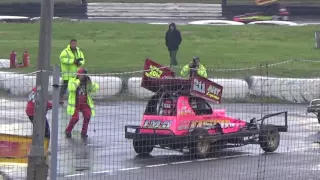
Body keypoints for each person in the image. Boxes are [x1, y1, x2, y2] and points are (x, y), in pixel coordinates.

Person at [65, 68, 99, 139]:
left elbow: (92, 89)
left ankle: (84, 132)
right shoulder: (72, 80)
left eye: (85, 75)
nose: (84, 77)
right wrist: (78, 81)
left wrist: (92, 84)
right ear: (79, 75)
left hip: (84, 102)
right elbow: (71, 88)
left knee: (87, 115)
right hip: (75, 102)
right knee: (75, 118)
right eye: (82, 75)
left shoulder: (86, 81)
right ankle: (68, 130)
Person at [59, 39, 85, 104]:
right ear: (70, 44)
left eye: (75, 43)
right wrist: (72, 61)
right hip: (67, 74)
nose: (74, 45)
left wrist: (80, 63)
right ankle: (60, 98)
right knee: (64, 86)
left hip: (76, 73)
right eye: (73, 43)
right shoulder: (65, 51)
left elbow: (83, 59)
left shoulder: (79, 52)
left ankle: (76, 98)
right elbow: (61, 58)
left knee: (76, 86)